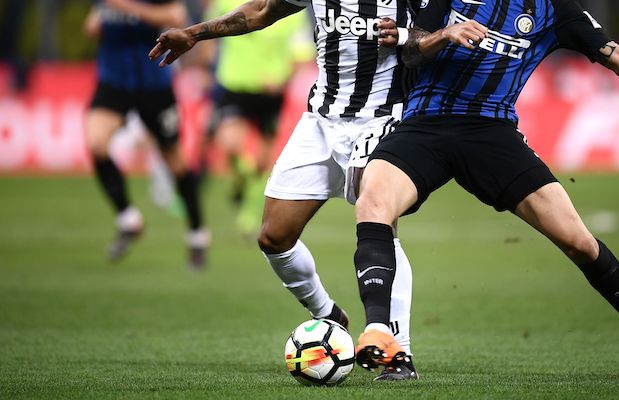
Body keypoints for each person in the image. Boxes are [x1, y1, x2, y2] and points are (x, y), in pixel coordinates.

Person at [351, 0, 619, 379]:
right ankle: (380, 332)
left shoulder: (554, 9)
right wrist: (444, 34)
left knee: (579, 242)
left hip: (492, 133)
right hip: (426, 125)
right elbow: (412, 50)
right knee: (373, 203)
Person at [149, 0, 420, 380]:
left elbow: (434, 34)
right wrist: (193, 34)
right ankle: (328, 314)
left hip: (383, 116)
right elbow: (261, 10)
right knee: (274, 236)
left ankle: (397, 350)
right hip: (321, 120)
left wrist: (411, 40)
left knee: (379, 220)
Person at [84, 0, 209, 269]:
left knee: (174, 161)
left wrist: (130, 9)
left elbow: (176, 15)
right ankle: (128, 218)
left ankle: (197, 234)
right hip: (113, 80)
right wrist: (96, 23)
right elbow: (94, 23)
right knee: (96, 143)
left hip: (154, 83)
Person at [204, 0, 315, 236]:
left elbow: (303, 54)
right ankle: (240, 180)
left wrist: (282, 80)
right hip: (235, 85)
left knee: (263, 159)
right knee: (230, 143)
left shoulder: (290, 11)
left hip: (270, 92)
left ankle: (248, 214)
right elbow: (209, 25)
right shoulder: (226, 3)